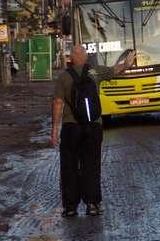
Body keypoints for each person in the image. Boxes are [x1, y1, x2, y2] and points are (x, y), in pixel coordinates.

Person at [51, 45, 136, 217]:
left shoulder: (63, 77)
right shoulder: (95, 72)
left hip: (71, 127)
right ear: (86, 57)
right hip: (94, 126)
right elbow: (116, 70)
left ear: (71, 58)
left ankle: (70, 207)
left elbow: (58, 103)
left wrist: (54, 130)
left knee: (69, 166)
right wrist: (127, 63)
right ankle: (92, 204)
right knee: (92, 164)